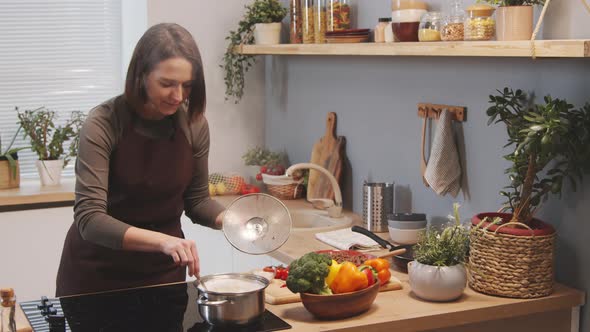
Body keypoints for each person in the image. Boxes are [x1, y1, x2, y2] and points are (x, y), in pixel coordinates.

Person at [56, 23, 225, 297]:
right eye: (167, 84)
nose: (178, 96)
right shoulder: (103, 123)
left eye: (187, 85)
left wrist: (233, 221)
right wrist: (163, 242)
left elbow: (197, 201)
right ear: (141, 75)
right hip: (97, 276)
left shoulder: (194, 125)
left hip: (163, 275)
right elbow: (90, 218)